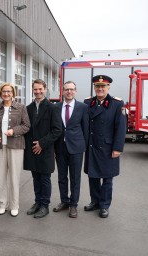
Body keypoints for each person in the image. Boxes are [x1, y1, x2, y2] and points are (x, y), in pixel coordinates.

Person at [83, 75, 126, 218]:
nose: (100, 89)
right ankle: (95, 201)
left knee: (107, 178)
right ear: (94, 87)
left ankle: (104, 205)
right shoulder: (88, 102)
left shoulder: (117, 104)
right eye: (97, 86)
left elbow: (120, 128)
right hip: (92, 145)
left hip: (108, 147)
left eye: (103, 86)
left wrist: (118, 148)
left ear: (108, 88)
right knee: (93, 176)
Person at [0, 83, 30, 217]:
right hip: (0, 146)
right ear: (0, 93)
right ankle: (2, 204)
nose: (6, 94)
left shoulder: (21, 108)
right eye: (3, 92)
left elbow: (26, 126)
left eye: (9, 91)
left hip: (16, 146)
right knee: (1, 177)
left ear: (13, 93)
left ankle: (14, 205)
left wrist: (13, 131)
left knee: (14, 177)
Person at [24, 79, 62, 218]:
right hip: (32, 150)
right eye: (35, 89)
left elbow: (57, 130)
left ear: (45, 89)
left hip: (45, 149)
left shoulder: (53, 108)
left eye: (40, 89)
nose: (38, 92)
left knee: (45, 178)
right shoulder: (28, 108)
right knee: (35, 178)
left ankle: (45, 205)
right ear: (32, 90)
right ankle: (37, 202)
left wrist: (42, 143)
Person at [53, 81, 89, 218]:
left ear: (76, 91)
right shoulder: (56, 107)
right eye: (67, 89)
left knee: (75, 178)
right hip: (60, 148)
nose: (69, 92)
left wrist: (83, 146)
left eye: (72, 89)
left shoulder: (82, 107)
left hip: (76, 148)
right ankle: (64, 201)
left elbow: (86, 128)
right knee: (62, 177)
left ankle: (73, 204)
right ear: (62, 91)